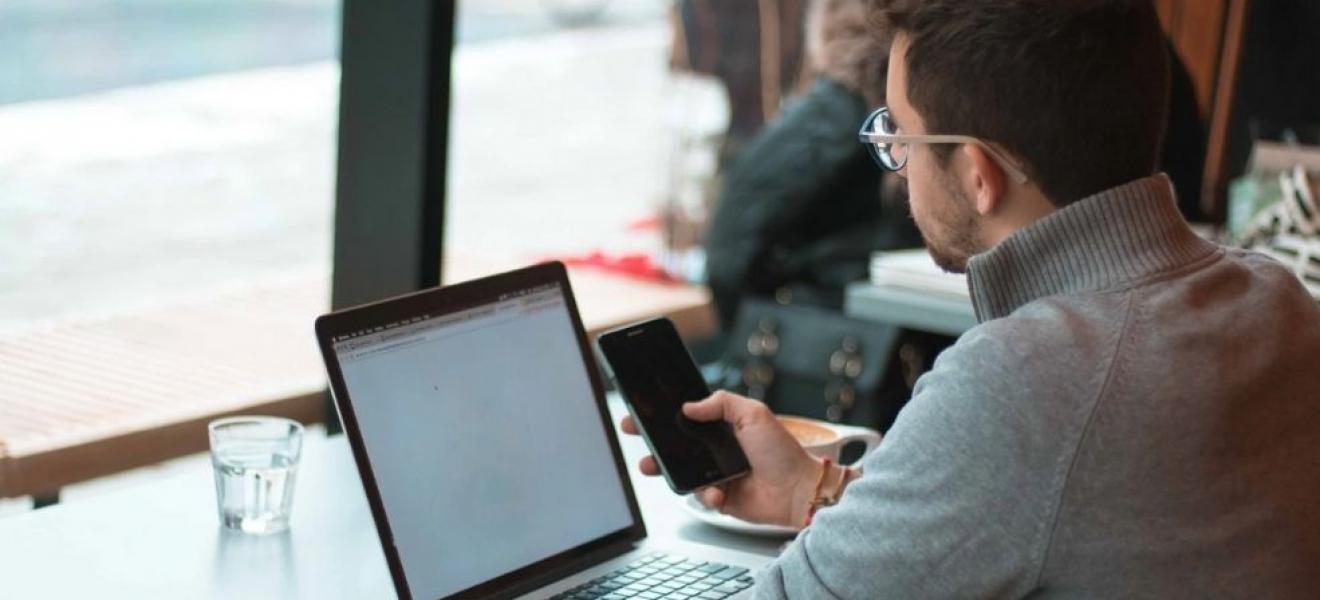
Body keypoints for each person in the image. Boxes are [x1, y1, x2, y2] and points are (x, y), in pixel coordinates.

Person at [621, 0, 1320, 596]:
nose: (898, 161)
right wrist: (816, 489)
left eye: (900, 133)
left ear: (980, 175)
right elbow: (1044, 513)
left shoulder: (1026, 377)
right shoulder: (1277, 300)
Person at [704, 0, 921, 326]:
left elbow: (729, 249)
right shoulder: (919, 116)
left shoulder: (835, 113)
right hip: (894, 326)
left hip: (840, 330)